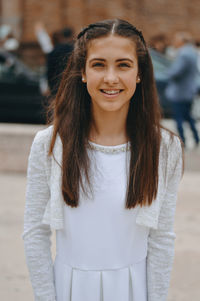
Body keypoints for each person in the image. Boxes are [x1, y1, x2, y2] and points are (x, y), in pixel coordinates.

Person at [23, 19, 183, 301]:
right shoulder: (50, 144)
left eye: (123, 65)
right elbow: (35, 233)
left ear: (139, 74)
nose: (111, 77)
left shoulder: (165, 147)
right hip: (69, 289)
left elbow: (161, 239)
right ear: (82, 72)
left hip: (133, 290)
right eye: (98, 65)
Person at [165, 32, 200, 147]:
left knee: (179, 117)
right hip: (189, 91)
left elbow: (176, 72)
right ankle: (196, 137)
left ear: (182, 41)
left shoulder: (184, 54)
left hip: (180, 92)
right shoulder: (192, 52)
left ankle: (182, 140)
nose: (174, 42)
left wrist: (168, 72)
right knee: (188, 116)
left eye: (176, 40)